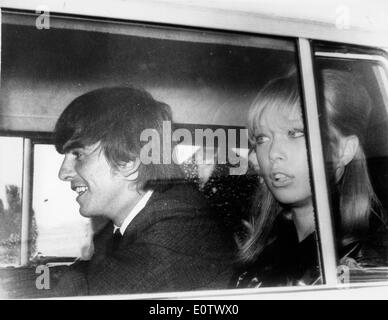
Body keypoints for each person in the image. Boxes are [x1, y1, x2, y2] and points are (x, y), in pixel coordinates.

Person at [8, 86, 235, 297]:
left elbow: (89, 290)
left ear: (128, 161)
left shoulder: (179, 230)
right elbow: (80, 275)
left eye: (78, 154)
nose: (63, 173)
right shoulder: (123, 227)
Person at [235, 69, 388, 288]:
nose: (273, 153)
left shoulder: (364, 263)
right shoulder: (267, 245)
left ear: (343, 151)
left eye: (295, 133)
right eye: (262, 138)